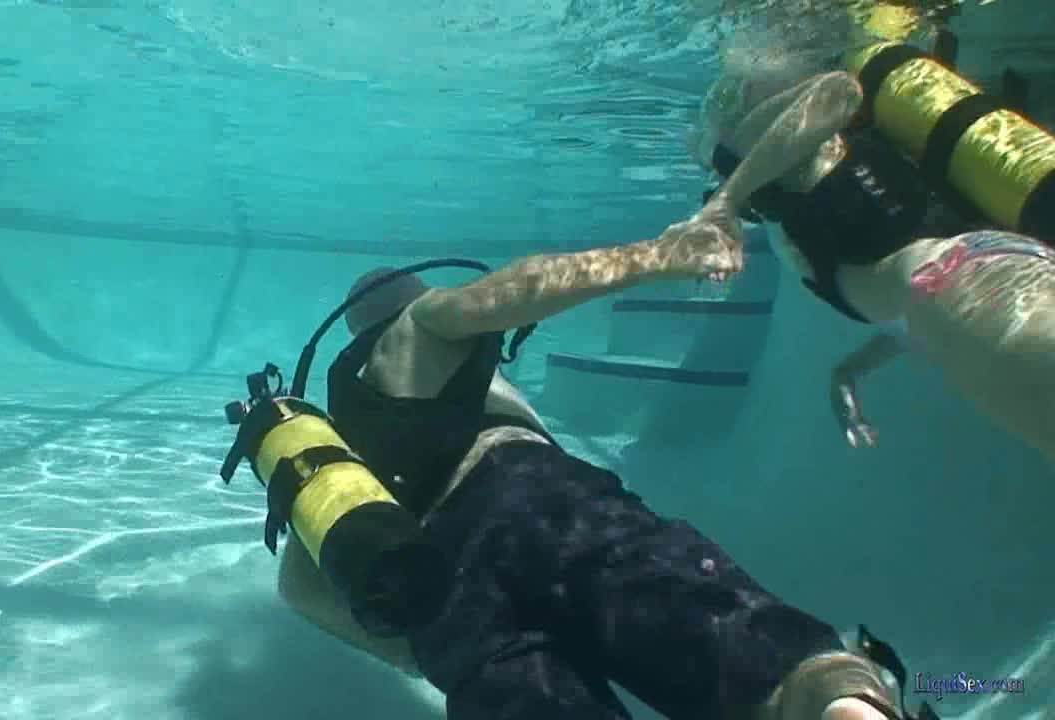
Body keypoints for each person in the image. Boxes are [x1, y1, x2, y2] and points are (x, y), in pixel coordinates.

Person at [274, 226, 922, 720]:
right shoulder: (423, 326)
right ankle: (838, 705)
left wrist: (420, 646)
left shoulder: (337, 435)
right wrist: (657, 255)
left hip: (446, 583)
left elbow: (300, 586)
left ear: (353, 331)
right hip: (535, 494)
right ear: (413, 296)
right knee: (745, 651)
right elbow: (518, 287)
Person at [687, 43, 1055, 462]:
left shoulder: (769, 154)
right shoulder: (790, 197)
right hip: (976, 277)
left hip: (966, 278)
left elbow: (837, 91)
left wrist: (726, 195)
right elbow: (902, 317)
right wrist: (848, 372)